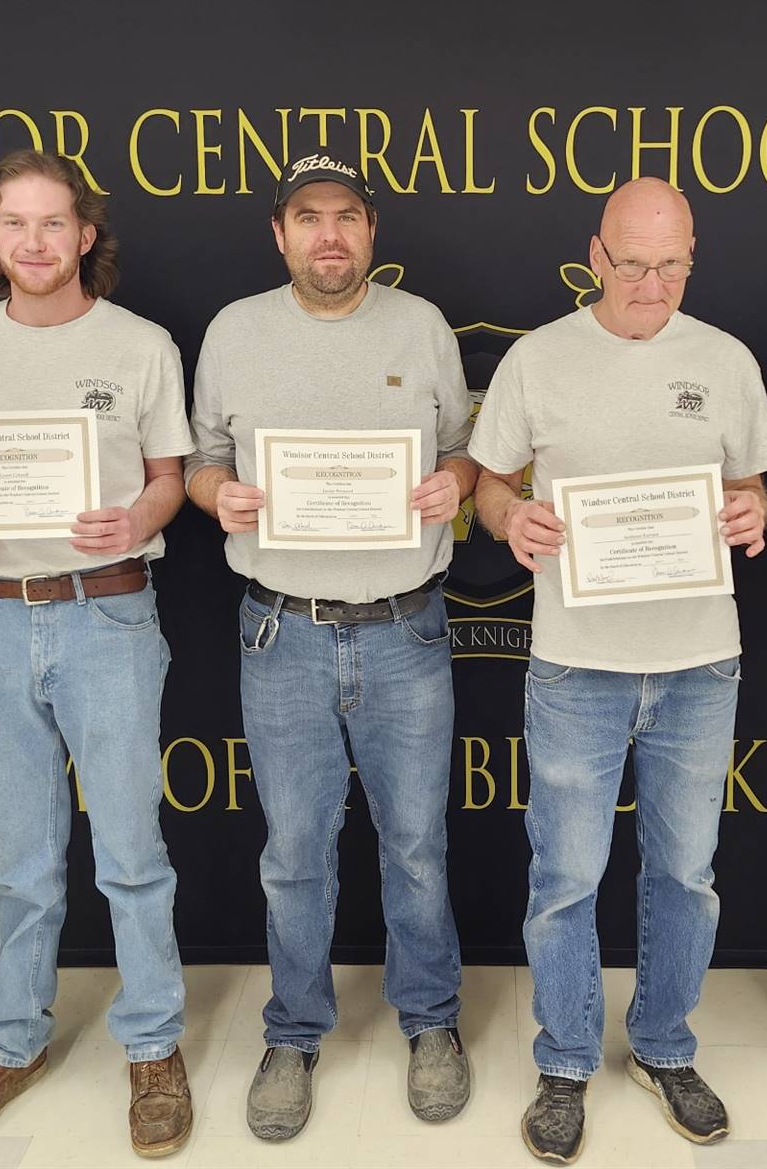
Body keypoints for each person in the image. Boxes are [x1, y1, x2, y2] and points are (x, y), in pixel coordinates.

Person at [470, 176, 767, 1163]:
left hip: (699, 664)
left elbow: (750, 487)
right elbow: (486, 484)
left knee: (685, 875)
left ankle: (661, 1045)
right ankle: (565, 1061)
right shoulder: (537, 360)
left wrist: (754, 514)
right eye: (632, 261)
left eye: (671, 263)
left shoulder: (726, 362)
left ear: (694, 256)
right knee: (566, 880)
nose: (651, 283)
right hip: (576, 665)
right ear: (596, 254)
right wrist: (508, 516)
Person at [0, 150, 195, 1158]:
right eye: (14, 223)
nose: (33, 241)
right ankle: (11, 1042)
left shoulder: (142, 344)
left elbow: (168, 478)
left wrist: (137, 518)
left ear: (85, 234)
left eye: (52, 223)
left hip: (105, 616)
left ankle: (154, 1045)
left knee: (130, 855)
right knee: (21, 858)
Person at [186, 151, 478, 1140]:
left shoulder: (422, 325)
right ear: (281, 234)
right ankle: (294, 1029)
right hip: (282, 631)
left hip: (406, 628)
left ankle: (431, 1021)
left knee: (417, 848)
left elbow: (463, 447)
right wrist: (212, 493)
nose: (328, 235)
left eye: (345, 216)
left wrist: (456, 483)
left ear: (370, 231)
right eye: (307, 217)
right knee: (295, 852)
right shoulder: (235, 330)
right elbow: (201, 460)